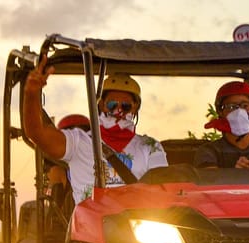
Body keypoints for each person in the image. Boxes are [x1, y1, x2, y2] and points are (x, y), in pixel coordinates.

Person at [24, 56, 168, 203]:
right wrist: (31, 94)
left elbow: (163, 192)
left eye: (125, 106)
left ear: (135, 108)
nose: (118, 110)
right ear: (101, 105)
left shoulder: (150, 147)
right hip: (90, 217)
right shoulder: (79, 141)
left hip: (139, 217)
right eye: (112, 105)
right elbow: (37, 133)